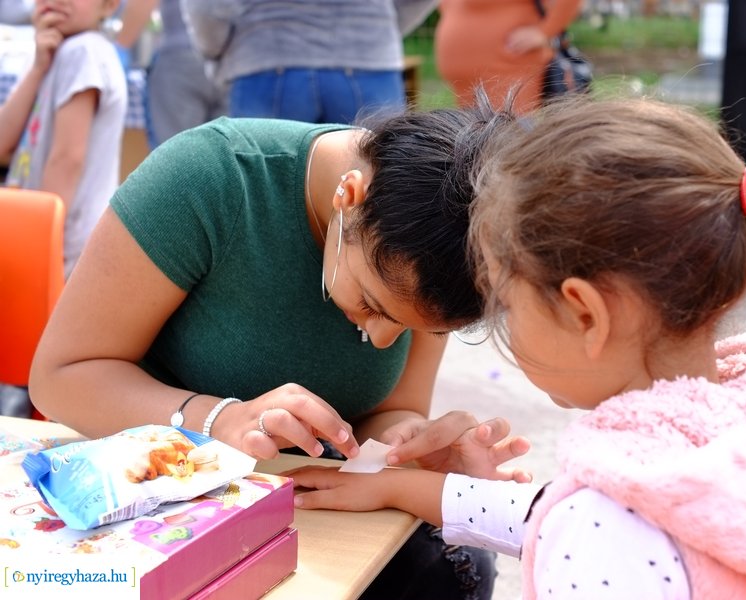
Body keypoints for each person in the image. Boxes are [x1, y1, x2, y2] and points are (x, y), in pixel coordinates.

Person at [291, 96, 746, 599]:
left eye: (507, 299)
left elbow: (585, 521)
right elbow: (548, 512)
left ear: (584, 313)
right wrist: (397, 487)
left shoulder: (609, 526)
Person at [29, 89, 532, 599]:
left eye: (415, 328)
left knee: (454, 566)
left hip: (301, 513)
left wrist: (412, 450)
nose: (382, 342)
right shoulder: (213, 178)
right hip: (145, 503)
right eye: (374, 305)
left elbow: (389, 410)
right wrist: (219, 420)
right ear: (349, 198)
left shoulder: (448, 244)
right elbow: (62, 376)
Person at [0, 0, 126, 278]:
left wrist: (39, 242)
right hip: (48, 238)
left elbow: (67, 159)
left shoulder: (84, 52)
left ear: (108, 6)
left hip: (63, 247)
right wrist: (37, 68)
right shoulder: (53, 52)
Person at [179, 0, 437, 123]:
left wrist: (214, 48)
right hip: (369, 60)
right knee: (379, 195)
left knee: (265, 199)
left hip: (267, 57)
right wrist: (378, 29)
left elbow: (205, 7)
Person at [435, 0, 583, 114]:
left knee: (507, 142)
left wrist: (544, 32)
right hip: (465, 82)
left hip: (507, 72)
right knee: (475, 145)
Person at [115, 0, 227, 148]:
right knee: (226, 155)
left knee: (174, 156)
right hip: (231, 60)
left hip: (180, 59)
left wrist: (120, 47)